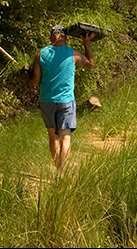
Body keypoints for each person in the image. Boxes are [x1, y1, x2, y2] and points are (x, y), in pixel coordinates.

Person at [29, 25, 97, 171]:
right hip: (66, 101)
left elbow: (34, 82)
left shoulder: (40, 54)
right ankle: (62, 171)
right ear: (65, 37)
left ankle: (57, 168)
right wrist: (86, 43)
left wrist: (26, 79)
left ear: (50, 38)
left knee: (53, 136)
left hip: (46, 100)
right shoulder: (72, 53)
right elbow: (90, 63)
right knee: (65, 136)